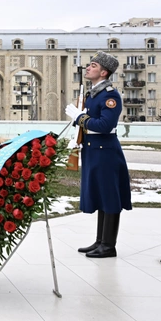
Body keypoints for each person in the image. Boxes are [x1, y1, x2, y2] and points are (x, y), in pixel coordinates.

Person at [65, 52, 132, 258]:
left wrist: (80, 118)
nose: (87, 68)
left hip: (105, 152)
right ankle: (100, 241)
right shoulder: (92, 94)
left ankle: (109, 246)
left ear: (103, 72)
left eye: (92, 65)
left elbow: (105, 125)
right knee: (102, 195)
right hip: (93, 150)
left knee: (110, 197)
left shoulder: (109, 95)